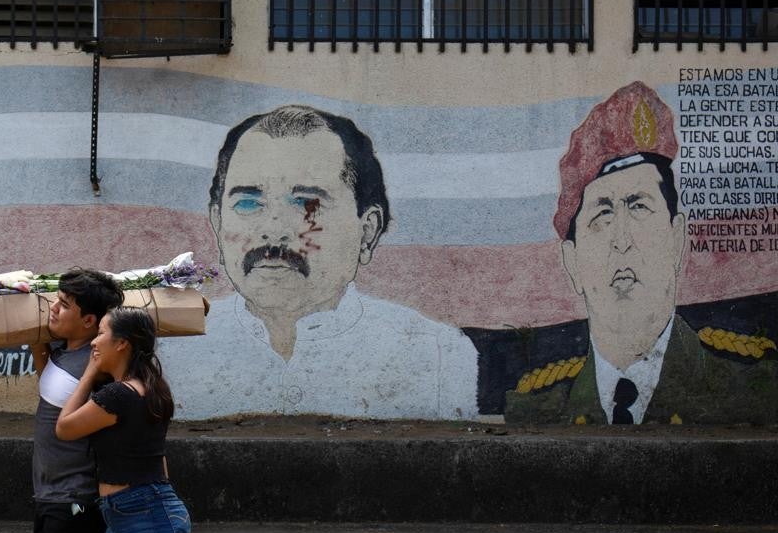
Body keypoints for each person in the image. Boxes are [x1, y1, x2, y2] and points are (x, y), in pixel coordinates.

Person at [159, 104, 480, 420]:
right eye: (247, 202)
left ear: (367, 232)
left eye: (307, 203)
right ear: (217, 222)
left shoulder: (436, 353)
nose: (273, 230)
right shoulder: (171, 350)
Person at [505, 82, 777, 425]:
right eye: (602, 214)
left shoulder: (754, 386)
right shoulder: (538, 406)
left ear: (677, 240)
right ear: (571, 264)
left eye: (639, 207)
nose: (622, 239)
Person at [56, 306, 207, 533]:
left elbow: (65, 428)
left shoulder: (118, 396)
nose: (94, 342)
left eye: (101, 334)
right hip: (127, 514)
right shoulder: (151, 387)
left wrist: (87, 376)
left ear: (122, 343)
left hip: (146, 517)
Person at [30, 271, 159, 533]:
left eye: (64, 305)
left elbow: (72, 421)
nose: (53, 308)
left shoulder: (99, 366)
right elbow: (54, 391)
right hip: (48, 490)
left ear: (89, 320)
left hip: (76, 495)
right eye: (54, 300)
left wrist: (91, 366)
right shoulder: (64, 352)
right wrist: (37, 346)